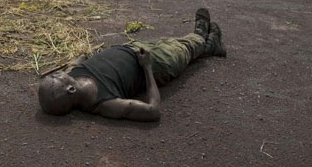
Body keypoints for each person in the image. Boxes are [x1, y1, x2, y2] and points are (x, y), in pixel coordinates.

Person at [38, 8, 226, 122]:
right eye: (55, 78)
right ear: (71, 89)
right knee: (186, 48)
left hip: (133, 48)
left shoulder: (72, 73)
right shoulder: (106, 104)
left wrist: (78, 57)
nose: (55, 74)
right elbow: (153, 111)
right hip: (157, 63)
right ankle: (203, 39)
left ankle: (209, 47)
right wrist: (147, 67)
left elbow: (79, 59)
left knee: (170, 41)